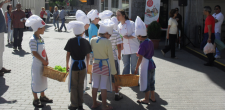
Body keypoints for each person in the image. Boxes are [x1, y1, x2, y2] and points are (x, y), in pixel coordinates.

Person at [26, 15, 53, 108]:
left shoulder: (41, 38)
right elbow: (34, 53)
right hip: (37, 64)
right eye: (43, 28)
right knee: (36, 81)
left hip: (43, 63)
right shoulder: (32, 40)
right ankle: (35, 99)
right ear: (38, 29)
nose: (44, 29)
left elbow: (44, 50)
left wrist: (47, 59)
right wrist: (42, 60)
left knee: (43, 80)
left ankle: (43, 96)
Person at [65, 21, 92, 110]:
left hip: (74, 66)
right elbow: (88, 55)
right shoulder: (85, 41)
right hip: (83, 66)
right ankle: (80, 103)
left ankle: (74, 104)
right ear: (82, 32)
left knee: (73, 85)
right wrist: (87, 65)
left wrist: (67, 65)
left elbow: (68, 54)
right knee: (81, 85)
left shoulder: (70, 41)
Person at [91, 19, 116, 110]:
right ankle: (104, 106)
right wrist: (113, 71)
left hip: (95, 64)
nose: (109, 36)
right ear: (106, 33)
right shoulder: (107, 42)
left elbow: (91, 52)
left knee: (95, 85)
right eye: (109, 34)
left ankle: (94, 103)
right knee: (103, 86)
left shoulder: (93, 40)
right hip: (105, 65)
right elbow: (111, 57)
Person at [98, 10, 123, 101]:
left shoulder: (101, 33)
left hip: (104, 58)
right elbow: (119, 45)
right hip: (114, 58)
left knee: (104, 76)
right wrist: (119, 54)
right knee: (115, 76)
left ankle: (101, 93)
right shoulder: (116, 33)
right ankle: (116, 93)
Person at [134, 16, 156, 104]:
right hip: (152, 64)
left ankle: (146, 99)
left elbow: (140, 58)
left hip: (146, 65)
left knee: (145, 82)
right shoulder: (150, 41)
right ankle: (153, 97)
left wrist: (136, 68)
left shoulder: (142, 44)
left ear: (140, 35)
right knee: (151, 81)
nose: (137, 38)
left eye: (137, 36)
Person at [116, 9, 139, 75]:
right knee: (126, 65)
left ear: (123, 16)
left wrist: (129, 37)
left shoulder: (131, 23)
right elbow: (119, 37)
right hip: (125, 48)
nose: (117, 17)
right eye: (116, 15)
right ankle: (125, 80)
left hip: (134, 47)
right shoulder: (118, 26)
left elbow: (137, 33)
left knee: (134, 66)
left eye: (119, 15)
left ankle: (135, 81)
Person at [75, 9, 91, 94]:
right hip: (81, 57)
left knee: (83, 72)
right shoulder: (81, 33)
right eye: (88, 24)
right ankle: (82, 88)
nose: (89, 25)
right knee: (82, 72)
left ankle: (84, 86)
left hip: (82, 56)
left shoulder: (82, 33)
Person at [87, 9, 100, 84]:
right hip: (94, 48)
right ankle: (93, 79)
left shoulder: (90, 26)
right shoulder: (94, 27)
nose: (99, 20)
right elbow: (94, 38)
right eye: (98, 18)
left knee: (91, 63)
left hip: (90, 47)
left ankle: (90, 79)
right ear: (94, 19)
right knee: (94, 64)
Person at [0, 0, 11, 77]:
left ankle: (0, 67)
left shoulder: (0, 8)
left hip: (1, 32)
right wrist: (3, 2)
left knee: (1, 50)